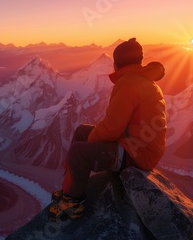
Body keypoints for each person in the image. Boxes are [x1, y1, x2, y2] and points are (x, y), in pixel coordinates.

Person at [48, 38, 167, 222]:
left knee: (78, 153)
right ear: (139, 62)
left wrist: (93, 141)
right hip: (138, 144)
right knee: (82, 131)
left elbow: (112, 128)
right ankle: (69, 188)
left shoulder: (128, 82)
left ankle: (71, 204)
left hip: (137, 153)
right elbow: (118, 125)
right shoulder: (141, 79)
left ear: (117, 62)